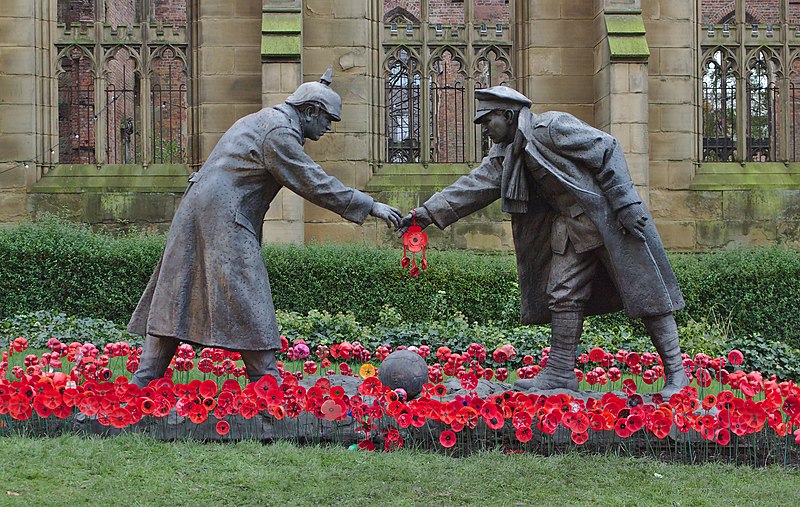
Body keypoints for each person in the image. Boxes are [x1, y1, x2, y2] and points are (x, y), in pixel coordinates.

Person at [397, 86, 689, 398]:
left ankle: (677, 376)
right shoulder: (507, 152)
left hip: (609, 219)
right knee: (562, 293)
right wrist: (426, 214)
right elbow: (473, 186)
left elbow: (607, 148)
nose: (485, 129)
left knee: (646, 293)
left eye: (487, 121)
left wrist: (626, 203)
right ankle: (561, 373)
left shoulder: (551, 127)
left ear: (508, 116)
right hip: (571, 227)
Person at [127, 68, 402, 388]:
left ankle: (144, 380)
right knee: (248, 293)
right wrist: (370, 206)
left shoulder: (263, 119)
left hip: (198, 210)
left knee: (178, 291)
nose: (329, 127)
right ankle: (266, 383)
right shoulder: (279, 133)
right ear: (310, 111)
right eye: (327, 118)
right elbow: (313, 181)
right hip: (224, 216)